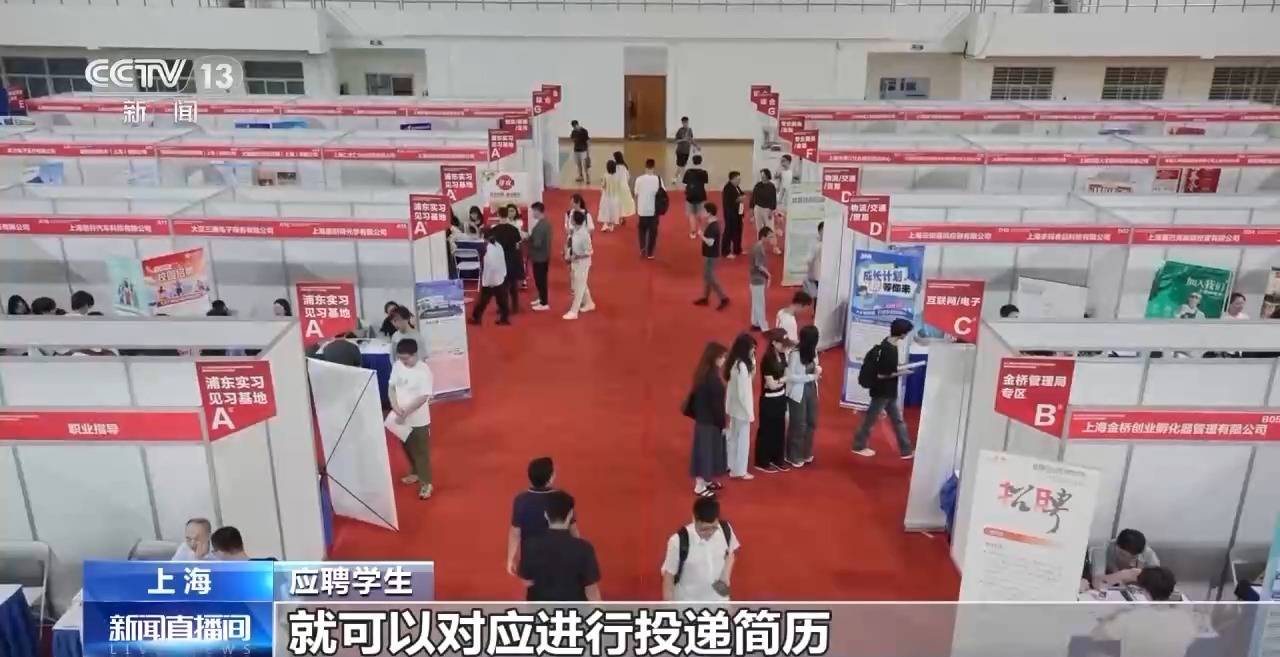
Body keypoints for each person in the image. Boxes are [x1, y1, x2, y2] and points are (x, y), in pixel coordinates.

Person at [1091, 567, 1200, 656]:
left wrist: (1114, 615)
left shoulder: (1130, 618)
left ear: (1144, 591)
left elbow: (1097, 634)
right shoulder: (1185, 620)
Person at [518, 490, 602, 601]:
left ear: (546, 514)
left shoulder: (530, 546)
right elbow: (591, 590)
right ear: (571, 514)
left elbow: (527, 581)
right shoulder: (584, 548)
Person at [851, 318, 916, 459]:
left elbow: (887, 369)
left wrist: (899, 369)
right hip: (882, 392)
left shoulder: (887, 344)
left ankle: (906, 450)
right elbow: (882, 374)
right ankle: (858, 445)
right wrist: (903, 372)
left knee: (897, 421)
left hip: (888, 392)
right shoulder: (890, 349)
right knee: (871, 420)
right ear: (902, 333)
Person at [507, 457, 580, 578]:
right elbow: (573, 529)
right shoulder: (564, 499)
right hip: (559, 559)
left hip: (531, 560)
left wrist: (510, 559)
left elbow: (515, 532)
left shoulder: (521, 500)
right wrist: (579, 553)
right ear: (550, 478)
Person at [661, 497, 740, 602]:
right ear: (694, 519)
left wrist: (725, 575)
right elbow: (668, 579)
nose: (710, 533)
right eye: (704, 529)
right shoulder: (678, 541)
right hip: (688, 603)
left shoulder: (725, 529)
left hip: (719, 601)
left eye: (714, 527)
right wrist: (669, 608)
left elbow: (731, 553)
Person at [390, 338, 435, 500]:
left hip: (418, 420)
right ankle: (415, 472)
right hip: (400, 417)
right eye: (401, 358)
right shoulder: (397, 365)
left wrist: (405, 412)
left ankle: (426, 484)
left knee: (421, 452)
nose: (403, 361)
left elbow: (423, 397)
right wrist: (395, 406)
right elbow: (391, 387)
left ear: (415, 354)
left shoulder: (424, 371)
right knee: (407, 447)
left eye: (406, 358)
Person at [686, 341, 729, 497]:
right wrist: (723, 425)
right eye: (722, 357)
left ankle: (705, 481)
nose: (724, 360)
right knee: (706, 453)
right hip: (710, 423)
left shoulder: (703, 374)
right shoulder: (712, 379)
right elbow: (717, 406)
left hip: (703, 420)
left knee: (706, 452)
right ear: (714, 358)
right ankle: (700, 486)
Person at [754, 329, 792, 473]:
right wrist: (782, 380)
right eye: (782, 344)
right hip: (769, 401)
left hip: (780, 397)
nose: (784, 347)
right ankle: (762, 461)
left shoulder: (782, 355)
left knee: (779, 430)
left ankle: (777, 459)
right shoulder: (767, 359)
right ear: (774, 343)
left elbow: (786, 375)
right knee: (767, 431)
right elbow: (771, 385)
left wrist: (779, 381)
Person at [784, 325, 821, 467]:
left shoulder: (814, 351)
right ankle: (793, 455)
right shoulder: (795, 354)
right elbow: (790, 376)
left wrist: (816, 371)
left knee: (811, 421)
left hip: (811, 389)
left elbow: (815, 366)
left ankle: (806, 452)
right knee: (798, 423)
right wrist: (811, 377)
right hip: (798, 391)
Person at [724, 333, 756, 481]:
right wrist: (749, 412)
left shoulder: (734, 363)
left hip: (734, 408)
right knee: (743, 441)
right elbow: (743, 393)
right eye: (752, 348)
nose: (753, 351)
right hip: (742, 410)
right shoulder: (742, 367)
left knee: (733, 438)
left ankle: (731, 465)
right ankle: (740, 470)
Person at [1092, 528, 1161, 588]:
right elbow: (1096, 581)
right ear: (1116, 545)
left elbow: (1157, 580)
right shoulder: (1103, 549)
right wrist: (1121, 575)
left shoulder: (1148, 554)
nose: (1130, 562)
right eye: (1122, 555)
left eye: (1133, 557)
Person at [692, 203, 729, 310]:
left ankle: (723, 298)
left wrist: (701, 235)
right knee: (707, 276)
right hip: (709, 254)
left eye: (704, 211)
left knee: (710, 277)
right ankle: (705, 297)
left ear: (709, 213)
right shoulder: (711, 223)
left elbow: (710, 242)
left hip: (711, 256)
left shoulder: (713, 227)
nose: (702, 213)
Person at [471, 229, 511, 325]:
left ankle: (476, 318)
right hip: (499, 277)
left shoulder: (489, 249)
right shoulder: (498, 246)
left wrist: (489, 281)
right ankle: (504, 318)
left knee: (483, 300)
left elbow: (490, 266)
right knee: (502, 300)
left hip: (491, 279)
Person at [563, 211, 596, 321]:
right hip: (575, 261)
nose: (570, 220)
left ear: (574, 221)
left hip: (582, 263)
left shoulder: (584, 235)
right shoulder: (575, 231)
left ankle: (574, 311)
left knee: (579, 287)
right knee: (581, 284)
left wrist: (577, 256)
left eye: (571, 218)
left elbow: (590, 251)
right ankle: (589, 303)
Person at [490, 210, 525, 314]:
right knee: (513, 284)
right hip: (512, 259)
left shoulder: (494, 230)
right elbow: (518, 244)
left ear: (498, 215)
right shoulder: (514, 229)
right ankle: (515, 307)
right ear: (507, 215)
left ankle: (502, 307)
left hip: (500, 259)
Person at [634, 158, 662, 260]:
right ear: (654, 167)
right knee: (653, 232)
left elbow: (636, 194)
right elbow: (663, 193)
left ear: (645, 167)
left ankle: (642, 247)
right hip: (654, 210)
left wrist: (637, 207)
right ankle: (650, 252)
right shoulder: (658, 179)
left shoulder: (639, 179)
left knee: (642, 229)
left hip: (642, 209)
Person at [527, 201, 552, 312]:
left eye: (533, 211)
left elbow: (537, 243)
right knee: (540, 279)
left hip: (539, 257)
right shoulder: (545, 224)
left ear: (538, 211)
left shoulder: (540, 227)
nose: (532, 213)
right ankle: (541, 298)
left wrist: (528, 240)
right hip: (543, 256)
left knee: (540, 280)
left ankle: (544, 303)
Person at [750, 170, 781, 255]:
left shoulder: (771, 186)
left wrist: (771, 210)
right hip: (758, 208)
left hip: (767, 210)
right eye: (761, 175)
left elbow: (773, 199)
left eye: (763, 175)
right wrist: (752, 210)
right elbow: (753, 198)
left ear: (767, 176)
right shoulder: (758, 185)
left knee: (770, 229)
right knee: (759, 229)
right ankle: (760, 247)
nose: (762, 177)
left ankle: (775, 247)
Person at [749, 227, 774, 331]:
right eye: (770, 237)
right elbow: (759, 265)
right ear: (763, 237)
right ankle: (764, 327)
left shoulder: (758, 246)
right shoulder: (759, 248)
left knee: (756, 302)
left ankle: (755, 322)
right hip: (758, 280)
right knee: (760, 304)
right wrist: (769, 275)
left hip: (755, 279)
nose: (771, 239)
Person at [682, 154, 709, 240]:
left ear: (692, 161)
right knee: (701, 214)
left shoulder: (688, 172)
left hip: (690, 197)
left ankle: (693, 232)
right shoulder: (704, 172)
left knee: (692, 214)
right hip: (701, 195)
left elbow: (685, 184)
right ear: (701, 161)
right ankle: (701, 230)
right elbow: (706, 185)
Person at [721, 171, 745, 258]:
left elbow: (741, 194)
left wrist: (741, 197)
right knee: (729, 232)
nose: (739, 181)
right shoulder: (728, 188)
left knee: (738, 231)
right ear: (732, 179)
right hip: (731, 214)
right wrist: (739, 199)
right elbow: (729, 202)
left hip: (738, 213)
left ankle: (737, 249)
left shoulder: (736, 187)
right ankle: (725, 251)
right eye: (738, 179)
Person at [612, 152, 636, 224]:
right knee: (623, 202)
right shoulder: (625, 166)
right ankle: (622, 217)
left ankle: (618, 217)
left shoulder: (614, 167)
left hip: (616, 186)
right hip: (624, 186)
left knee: (617, 202)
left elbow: (613, 177)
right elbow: (628, 177)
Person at [598, 161, 621, 232]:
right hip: (615, 196)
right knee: (613, 211)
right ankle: (611, 225)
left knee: (606, 210)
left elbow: (603, 186)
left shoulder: (605, 175)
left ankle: (605, 224)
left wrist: (601, 183)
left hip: (607, 196)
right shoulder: (618, 176)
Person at [673, 116, 696, 185]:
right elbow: (676, 141)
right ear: (682, 123)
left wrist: (695, 146)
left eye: (687, 122)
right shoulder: (680, 131)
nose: (686, 124)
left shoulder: (690, 130)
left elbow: (691, 139)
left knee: (682, 166)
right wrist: (683, 139)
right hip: (680, 151)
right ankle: (683, 180)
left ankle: (675, 178)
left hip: (687, 151)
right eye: (684, 122)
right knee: (681, 166)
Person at [802, 222, 823, 297]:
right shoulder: (815, 244)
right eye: (823, 230)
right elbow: (808, 259)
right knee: (817, 296)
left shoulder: (830, 244)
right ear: (820, 231)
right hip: (816, 276)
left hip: (826, 276)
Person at [569, 120, 591, 184]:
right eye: (573, 127)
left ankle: (587, 178)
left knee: (585, 165)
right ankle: (581, 176)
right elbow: (572, 139)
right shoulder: (573, 132)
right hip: (576, 150)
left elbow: (587, 141)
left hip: (583, 150)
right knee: (578, 164)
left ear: (577, 125)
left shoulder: (584, 131)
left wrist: (588, 152)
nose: (574, 128)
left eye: (574, 126)